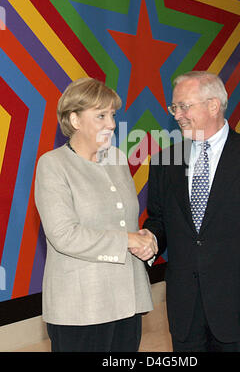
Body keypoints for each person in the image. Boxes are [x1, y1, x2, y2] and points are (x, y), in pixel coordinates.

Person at [141, 71, 240, 352]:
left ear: (214, 105)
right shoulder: (165, 161)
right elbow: (160, 219)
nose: (177, 115)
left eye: (184, 106)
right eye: (174, 107)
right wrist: (149, 240)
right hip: (185, 311)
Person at [34, 77, 158, 352]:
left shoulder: (117, 159)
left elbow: (123, 222)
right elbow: (64, 235)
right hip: (81, 309)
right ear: (75, 120)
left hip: (128, 303)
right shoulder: (53, 165)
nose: (111, 123)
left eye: (113, 115)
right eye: (101, 115)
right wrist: (127, 240)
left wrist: (144, 239)